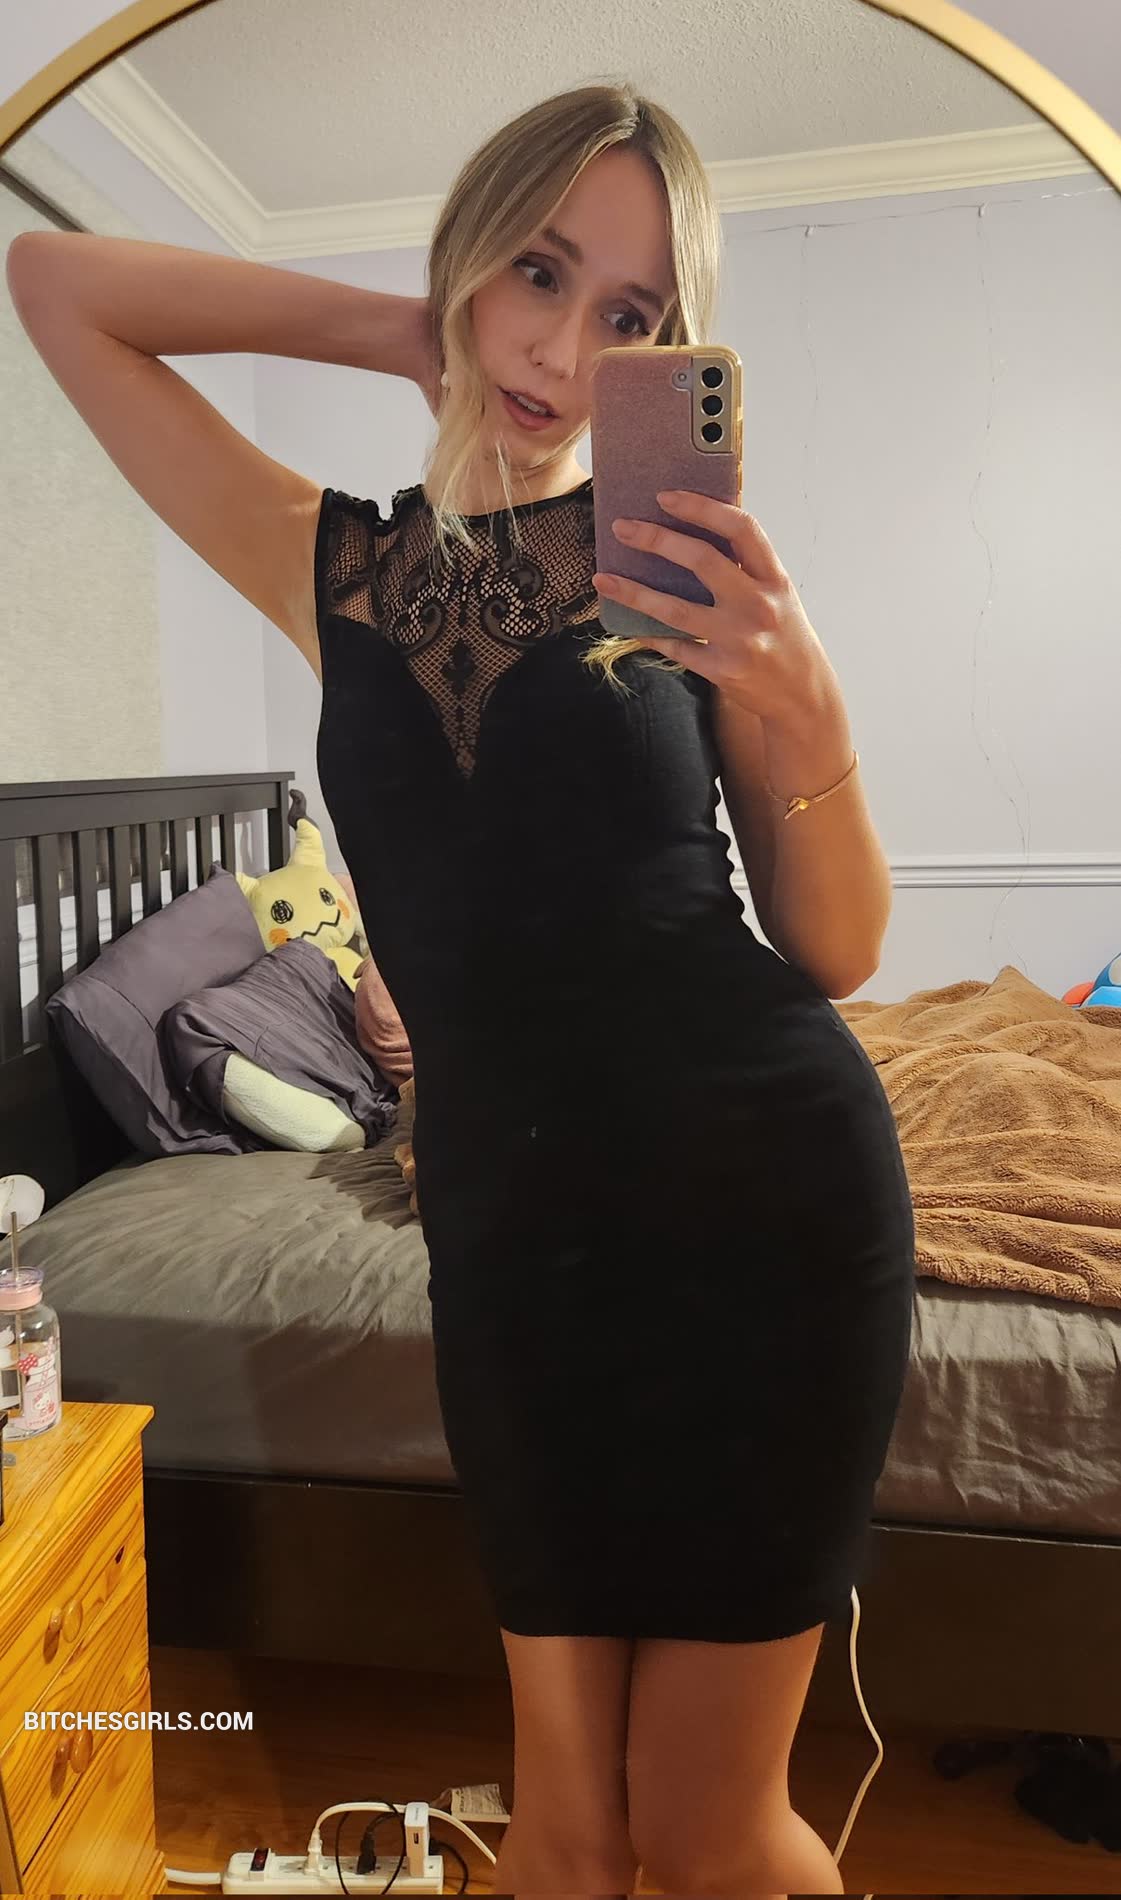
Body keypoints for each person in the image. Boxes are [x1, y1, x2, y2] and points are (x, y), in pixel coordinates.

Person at [7, 81, 915, 1898]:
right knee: (565, 1837)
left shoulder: (682, 574)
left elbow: (837, 953)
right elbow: (58, 284)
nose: (566, 351)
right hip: (508, 1235)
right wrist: (402, 329)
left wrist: (809, 712)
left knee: (713, 1833)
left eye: (632, 315)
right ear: (466, 265)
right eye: (537, 273)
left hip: (760, 1206)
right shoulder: (332, 564)